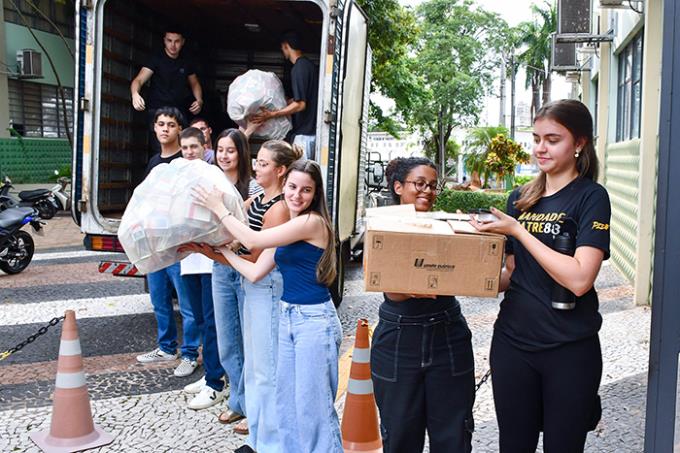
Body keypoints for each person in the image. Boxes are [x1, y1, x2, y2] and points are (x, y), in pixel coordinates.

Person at [472, 99, 610, 453]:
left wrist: (519, 232)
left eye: (552, 139)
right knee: (514, 446)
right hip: (513, 344)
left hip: (569, 348)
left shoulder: (591, 197)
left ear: (579, 143)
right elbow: (510, 274)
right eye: (536, 138)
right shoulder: (520, 198)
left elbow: (581, 279)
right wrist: (458, 268)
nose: (540, 148)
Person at [193, 159, 343, 453]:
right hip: (289, 318)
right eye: (292, 187)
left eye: (306, 190)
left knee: (313, 410)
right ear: (284, 185)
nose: (297, 195)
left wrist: (218, 207)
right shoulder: (290, 226)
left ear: (316, 194)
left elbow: (252, 238)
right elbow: (254, 271)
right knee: (286, 404)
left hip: (314, 321)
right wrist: (216, 252)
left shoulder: (312, 223)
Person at [181, 140, 300, 452]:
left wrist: (212, 253)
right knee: (257, 365)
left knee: (266, 370)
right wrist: (214, 244)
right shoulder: (259, 199)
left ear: (281, 170)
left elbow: (254, 262)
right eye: (257, 161)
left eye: (262, 163)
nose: (256, 168)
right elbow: (236, 237)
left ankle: (270, 442)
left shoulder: (279, 210)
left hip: (268, 289)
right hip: (256, 288)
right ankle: (261, 436)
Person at [370, 157, 475, 453]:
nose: (427, 190)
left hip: (448, 334)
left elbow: (466, 270)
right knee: (401, 435)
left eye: (432, 185)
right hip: (398, 339)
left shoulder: (447, 225)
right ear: (399, 186)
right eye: (419, 184)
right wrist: (419, 284)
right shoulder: (383, 227)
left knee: (453, 436)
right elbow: (391, 289)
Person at [136, 107, 201, 379]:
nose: (164, 129)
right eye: (160, 123)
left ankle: (189, 354)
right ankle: (166, 347)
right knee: (159, 299)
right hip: (155, 241)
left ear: (179, 130)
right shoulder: (153, 161)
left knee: (186, 304)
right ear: (154, 128)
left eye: (171, 125)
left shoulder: (185, 161)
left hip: (178, 246)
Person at [209, 128, 261, 433]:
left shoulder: (253, 186)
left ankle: (249, 405)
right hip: (219, 266)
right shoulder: (211, 184)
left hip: (247, 266)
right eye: (219, 149)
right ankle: (238, 402)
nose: (224, 155)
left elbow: (254, 237)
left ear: (241, 153)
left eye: (230, 150)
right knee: (227, 340)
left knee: (249, 340)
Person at [175, 127, 227, 409]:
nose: (189, 152)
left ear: (205, 146)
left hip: (210, 261)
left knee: (211, 324)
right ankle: (210, 373)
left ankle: (217, 381)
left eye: (194, 147)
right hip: (188, 261)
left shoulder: (212, 177)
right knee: (197, 319)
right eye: (185, 148)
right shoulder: (180, 178)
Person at [130, 27, 203, 152]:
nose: (173, 45)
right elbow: (139, 80)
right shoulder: (156, 58)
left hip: (179, 111)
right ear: (164, 40)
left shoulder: (186, 60)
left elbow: (195, 83)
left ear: (183, 42)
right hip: (157, 110)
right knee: (160, 148)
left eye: (177, 41)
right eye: (169, 41)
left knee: (183, 147)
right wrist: (135, 94)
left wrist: (199, 100)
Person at [253, 31, 318, 160]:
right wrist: (290, 101)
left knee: (300, 172)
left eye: (283, 48)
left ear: (286, 46)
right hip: (311, 133)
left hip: (304, 134)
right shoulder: (309, 66)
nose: (283, 51)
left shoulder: (298, 68)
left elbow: (301, 104)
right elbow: (307, 97)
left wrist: (272, 114)